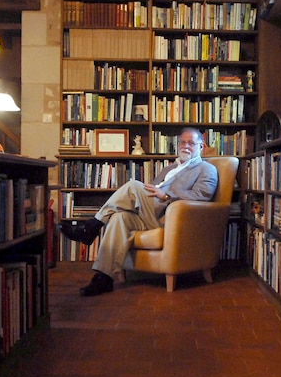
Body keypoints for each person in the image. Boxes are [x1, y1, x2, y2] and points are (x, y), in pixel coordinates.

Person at [60, 127, 218, 296]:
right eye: (182, 142)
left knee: (133, 185)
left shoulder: (206, 169)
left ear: (201, 147)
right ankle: (103, 278)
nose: (186, 146)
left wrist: (166, 195)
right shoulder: (169, 169)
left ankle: (91, 227)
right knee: (119, 218)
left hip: (170, 219)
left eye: (191, 143)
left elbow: (202, 196)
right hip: (150, 214)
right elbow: (150, 190)